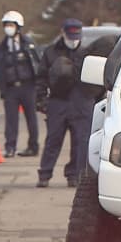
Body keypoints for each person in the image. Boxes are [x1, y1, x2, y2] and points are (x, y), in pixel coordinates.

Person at [35, 18, 95, 188]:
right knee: (53, 139)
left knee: (80, 142)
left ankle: (74, 175)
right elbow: (41, 77)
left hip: (81, 103)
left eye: (76, 37)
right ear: (63, 33)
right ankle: (45, 174)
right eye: (71, 36)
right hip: (58, 102)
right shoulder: (51, 53)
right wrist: (41, 99)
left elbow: (96, 80)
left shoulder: (86, 55)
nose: (73, 40)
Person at [0, 11, 40, 158]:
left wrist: (39, 86)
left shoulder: (28, 44)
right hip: (11, 88)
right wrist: (3, 90)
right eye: (6, 25)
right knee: (11, 120)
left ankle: (33, 146)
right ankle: (10, 147)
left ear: (18, 27)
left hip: (28, 87)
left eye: (11, 25)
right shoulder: (1, 48)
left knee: (31, 118)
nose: (8, 28)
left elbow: (37, 64)